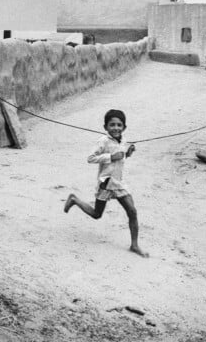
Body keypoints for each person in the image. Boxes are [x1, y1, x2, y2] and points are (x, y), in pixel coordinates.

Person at [63, 109, 149, 257]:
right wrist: (110, 156)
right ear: (105, 127)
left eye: (119, 125)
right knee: (97, 214)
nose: (116, 128)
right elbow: (90, 158)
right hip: (106, 182)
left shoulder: (123, 140)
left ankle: (134, 245)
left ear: (124, 127)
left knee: (132, 211)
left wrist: (127, 154)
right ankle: (74, 199)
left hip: (119, 183)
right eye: (112, 125)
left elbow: (119, 159)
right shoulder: (102, 141)